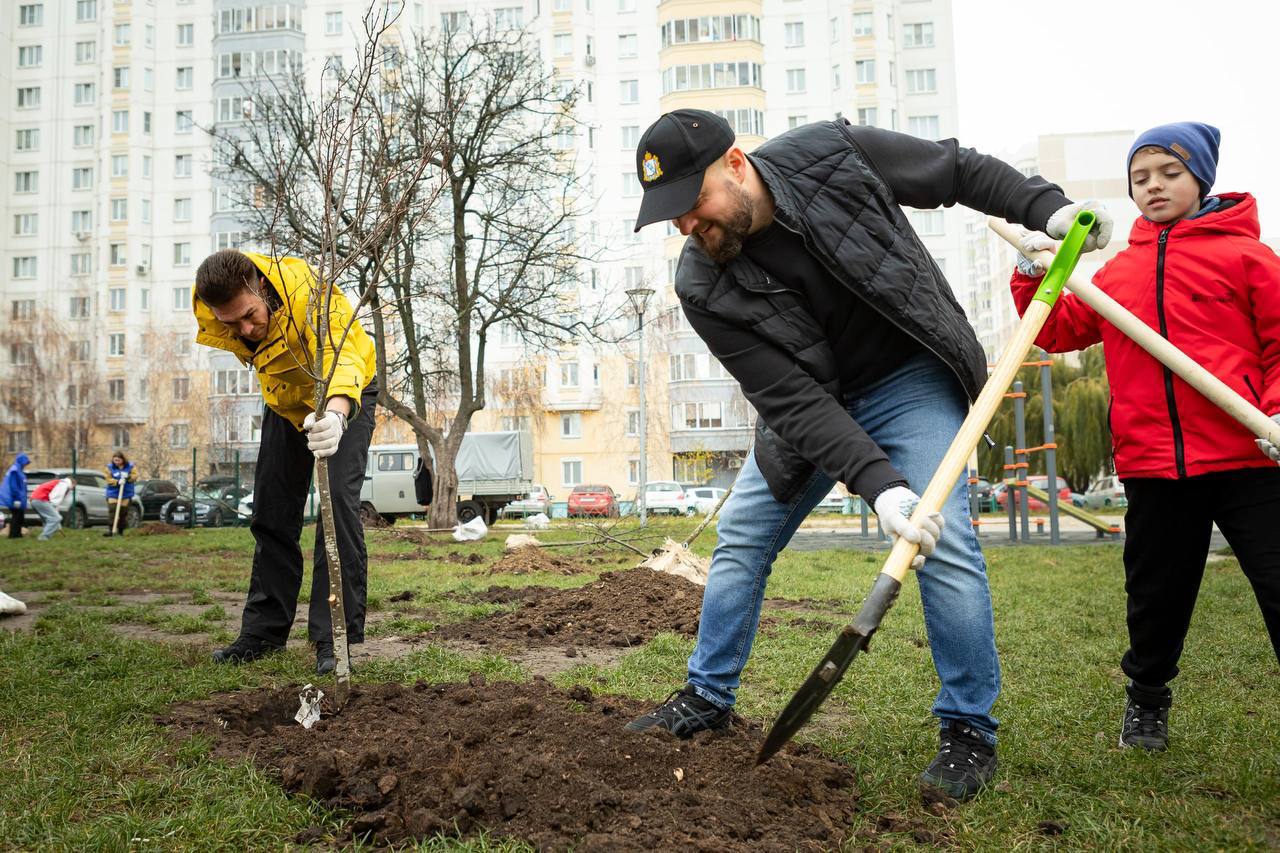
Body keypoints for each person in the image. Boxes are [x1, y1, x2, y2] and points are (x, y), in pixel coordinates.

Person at [623, 109, 1113, 802]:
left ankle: (967, 728)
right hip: (812, 409)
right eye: (669, 215)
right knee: (740, 541)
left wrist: (1048, 208)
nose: (685, 226)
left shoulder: (832, 154)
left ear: (734, 163)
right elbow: (792, 401)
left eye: (691, 202)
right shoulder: (701, 283)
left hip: (908, 378)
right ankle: (708, 694)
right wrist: (881, 487)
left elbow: (955, 169)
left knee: (943, 541)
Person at [1009, 122, 1280, 752]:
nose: (1153, 186)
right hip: (1154, 466)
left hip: (1249, 457)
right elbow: (1057, 328)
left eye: (1169, 173)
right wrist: (1033, 269)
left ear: (1201, 179)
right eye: (1140, 177)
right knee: (1156, 598)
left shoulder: (1248, 257)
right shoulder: (1118, 274)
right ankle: (1147, 701)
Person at [194, 249, 377, 676]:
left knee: (335, 509)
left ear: (260, 285)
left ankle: (334, 638)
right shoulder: (210, 299)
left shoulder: (311, 296)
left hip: (344, 395)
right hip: (284, 402)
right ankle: (262, 633)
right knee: (272, 510)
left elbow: (341, 356)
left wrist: (335, 413)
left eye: (250, 316)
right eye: (231, 324)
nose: (245, 330)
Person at [103, 452, 138, 537]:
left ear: (123, 460)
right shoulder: (110, 467)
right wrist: (117, 482)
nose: (116, 462)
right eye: (115, 460)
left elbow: (135, 475)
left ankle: (120, 531)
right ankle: (111, 530)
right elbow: (107, 478)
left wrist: (128, 477)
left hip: (126, 493)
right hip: (113, 493)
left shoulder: (130, 467)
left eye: (118, 460)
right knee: (113, 510)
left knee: (123, 512)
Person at [30, 476, 72, 541]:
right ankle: (43, 538)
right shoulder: (64, 485)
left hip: (34, 500)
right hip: (40, 499)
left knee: (47, 519)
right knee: (56, 518)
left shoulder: (58, 482)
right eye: (73, 488)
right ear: (72, 483)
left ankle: (45, 537)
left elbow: (55, 505)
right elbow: (54, 500)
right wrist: (57, 519)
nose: (71, 490)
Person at [0, 453, 30, 539]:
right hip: (14, 499)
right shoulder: (15, 471)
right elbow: (14, 486)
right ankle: (13, 535)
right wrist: (16, 499)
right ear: (22, 461)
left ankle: (17, 534)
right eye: (25, 462)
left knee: (19, 517)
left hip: (18, 499)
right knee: (17, 517)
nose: (26, 464)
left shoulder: (18, 470)